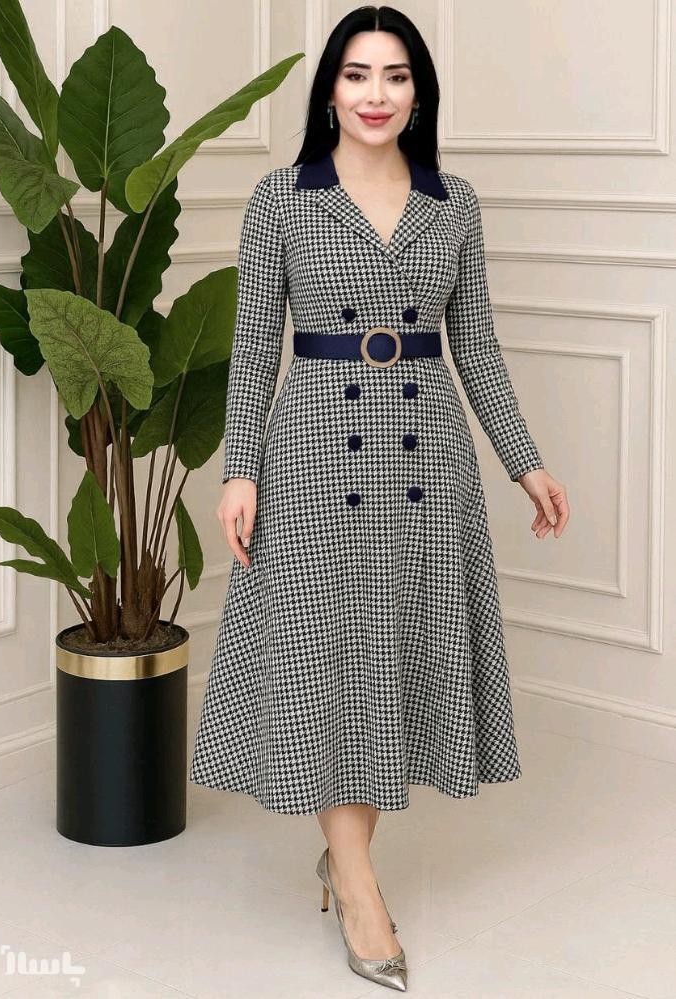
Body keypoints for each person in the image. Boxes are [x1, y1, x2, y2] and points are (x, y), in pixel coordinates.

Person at [190, 5, 569, 992]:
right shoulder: (282, 198)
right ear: (330, 90)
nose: (375, 94)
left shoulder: (454, 202)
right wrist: (241, 468)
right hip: (314, 450)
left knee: (389, 653)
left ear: (418, 94)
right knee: (327, 656)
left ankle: (344, 860)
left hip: (425, 454)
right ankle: (359, 887)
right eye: (357, 74)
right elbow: (253, 345)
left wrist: (524, 461)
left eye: (396, 76)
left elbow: (474, 341)